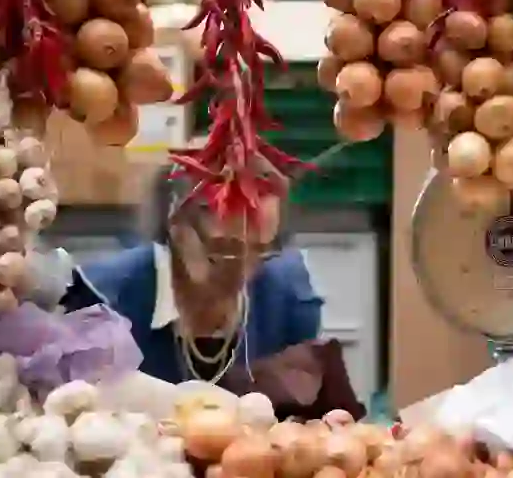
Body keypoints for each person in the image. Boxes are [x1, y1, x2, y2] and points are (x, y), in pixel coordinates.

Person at [62, 163, 324, 384]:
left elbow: (317, 417)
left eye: (262, 249)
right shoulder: (104, 299)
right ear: (176, 224)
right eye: (222, 249)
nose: (240, 271)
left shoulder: (290, 297)